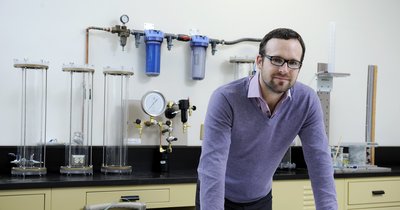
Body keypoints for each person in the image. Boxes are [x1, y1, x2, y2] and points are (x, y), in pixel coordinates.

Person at [196, 28, 337, 210]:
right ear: (259, 61)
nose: (284, 69)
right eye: (277, 60)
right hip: (217, 196)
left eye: (293, 63)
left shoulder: (307, 101)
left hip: (260, 198)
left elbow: (320, 162)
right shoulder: (226, 98)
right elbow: (212, 167)